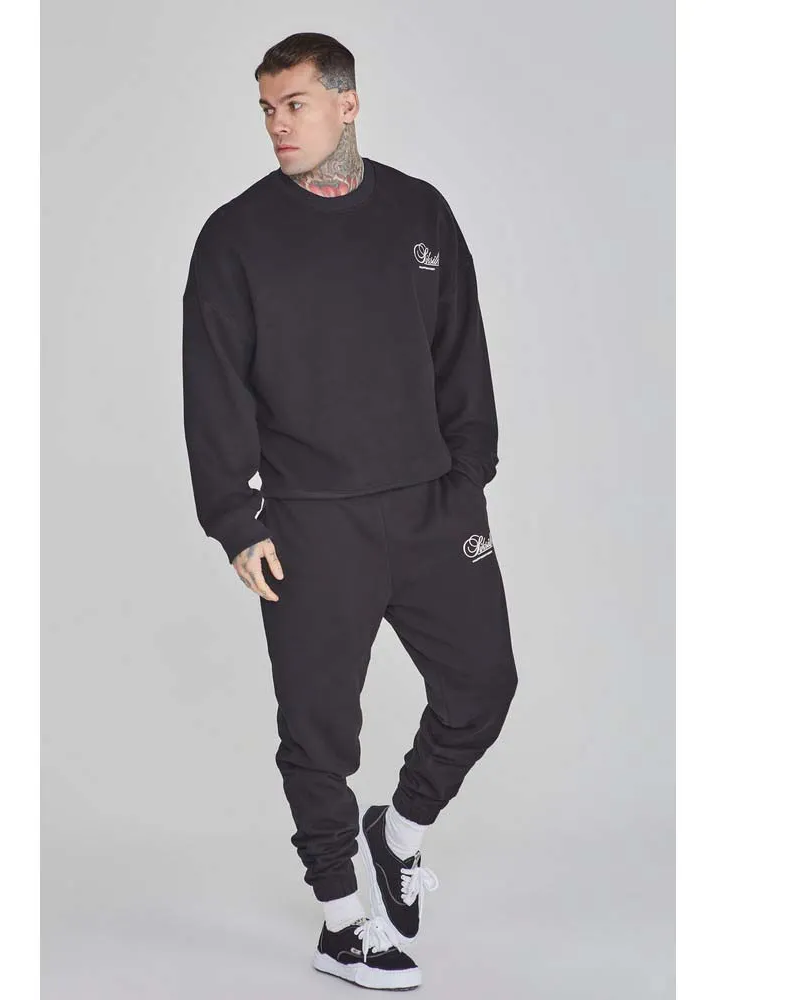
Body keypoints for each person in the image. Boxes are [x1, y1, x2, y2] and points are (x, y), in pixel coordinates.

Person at [182, 31, 519, 991]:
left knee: (483, 688)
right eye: (267, 109)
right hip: (309, 523)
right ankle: (341, 922)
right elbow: (213, 385)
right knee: (319, 734)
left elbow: (461, 350)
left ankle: (398, 832)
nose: (277, 125)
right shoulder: (236, 236)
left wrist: (469, 474)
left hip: (430, 507)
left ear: (348, 104)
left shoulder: (420, 212)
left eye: (294, 104)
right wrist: (236, 519)